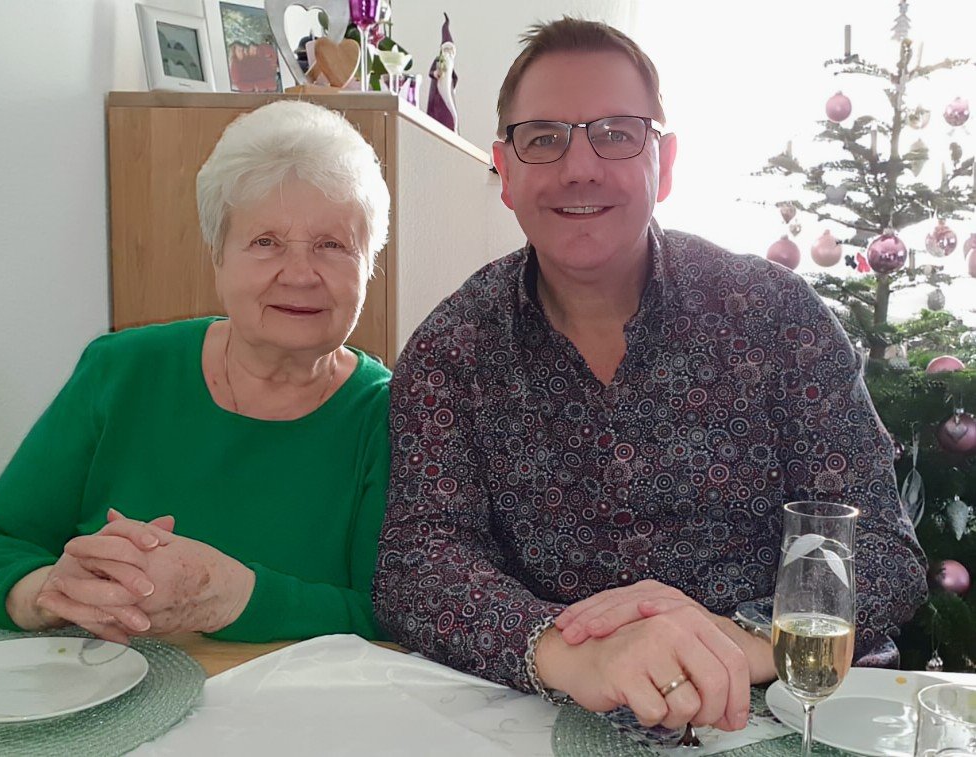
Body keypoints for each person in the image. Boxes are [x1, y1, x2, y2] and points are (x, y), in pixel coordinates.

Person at [373, 17, 927, 734]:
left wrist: (734, 639)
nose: (580, 167)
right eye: (543, 137)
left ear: (664, 165)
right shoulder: (451, 350)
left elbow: (880, 549)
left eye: (616, 133)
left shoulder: (777, 315)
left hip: (793, 706)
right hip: (556, 713)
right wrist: (568, 652)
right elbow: (419, 563)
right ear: (504, 172)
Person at [0, 100, 392, 646]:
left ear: (369, 266)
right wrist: (49, 593)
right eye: (265, 242)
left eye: (332, 246)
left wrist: (233, 597)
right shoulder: (123, 369)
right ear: (217, 255)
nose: (299, 274)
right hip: (108, 687)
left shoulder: (394, 415)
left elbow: (400, 614)